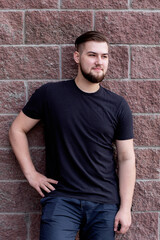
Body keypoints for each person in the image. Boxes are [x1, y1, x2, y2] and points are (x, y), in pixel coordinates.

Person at [9, 31, 136, 240]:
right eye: (92, 55)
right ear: (77, 57)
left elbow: (126, 158)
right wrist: (31, 174)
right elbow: (17, 129)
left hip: (104, 204)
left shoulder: (118, 105)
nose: (99, 62)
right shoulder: (50, 94)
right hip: (61, 201)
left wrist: (125, 208)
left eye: (104, 56)